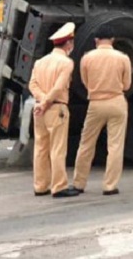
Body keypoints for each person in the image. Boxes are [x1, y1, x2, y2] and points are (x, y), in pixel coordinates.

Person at [71, 25, 132, 196]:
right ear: (113, 40)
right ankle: (110, 186)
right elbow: (127, 84)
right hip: (117, 102)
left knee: (86, 144)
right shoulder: (123, 58)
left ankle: (78, 183)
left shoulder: (87, 58)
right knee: (115, 145)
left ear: (96, 40)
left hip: (96, 103)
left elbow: (85, 82)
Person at [28, 22, 79, 199]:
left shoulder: (40, 62)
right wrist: (47, 102)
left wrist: (41, 102)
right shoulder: (66, 63)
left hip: (39, 109)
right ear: (69, 43)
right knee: (57, 148)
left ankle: (40, 186)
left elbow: (32, 84)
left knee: (41, 147)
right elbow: (59, 87)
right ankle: (59, 186)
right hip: (56, 108)